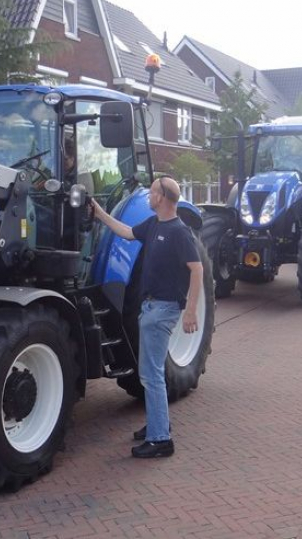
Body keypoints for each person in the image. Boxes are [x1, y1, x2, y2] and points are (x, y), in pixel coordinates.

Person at [89, 176, 203, 458]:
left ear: (163, 198)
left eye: (153, 192)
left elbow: (197, 269)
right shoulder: (153, 225)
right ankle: (157, 424)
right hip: (150, 308)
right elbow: (127, 232)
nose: (148, 196)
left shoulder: (178, 231)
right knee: (149, 373)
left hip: (163, 310)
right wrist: (101, 214)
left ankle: (160, 439)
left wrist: (190, 311)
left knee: (151, 375)